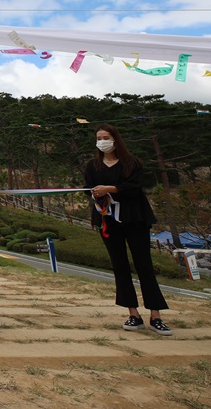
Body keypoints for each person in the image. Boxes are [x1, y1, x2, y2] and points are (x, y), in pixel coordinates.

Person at [84, 124, 172, 336]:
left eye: (106, 137)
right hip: (108, 220)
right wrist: (97, 194)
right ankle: (133, 313)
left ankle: (156, 315)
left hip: (134, 218)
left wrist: (111, 189)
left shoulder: (132, 163)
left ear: (115, 139)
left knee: (144, 265)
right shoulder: (93, 165)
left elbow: (134, 187)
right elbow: (89, 188)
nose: (102, 141)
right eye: (99, 137)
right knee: (119, 265)